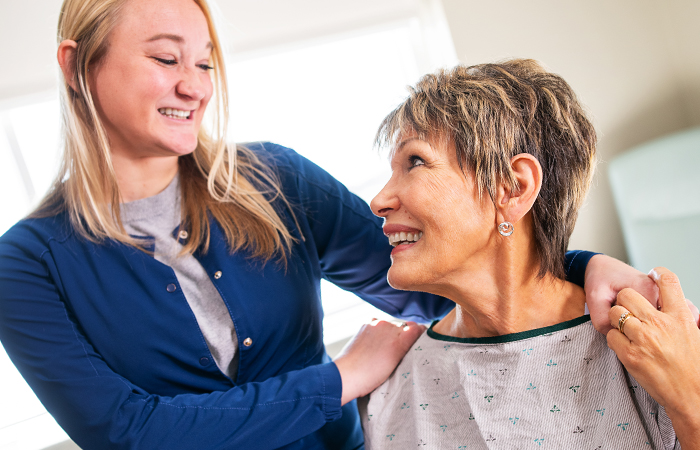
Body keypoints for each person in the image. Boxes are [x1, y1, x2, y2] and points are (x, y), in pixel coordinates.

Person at [0, 0, 658, 448]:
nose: (196, 86)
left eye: (203, 62)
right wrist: (341, 378)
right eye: (167, 60)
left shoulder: (274, 182)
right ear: (76, 68)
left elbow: (441, 272)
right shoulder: (26, 264)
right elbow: (127, 433)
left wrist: (582, 267)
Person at [360, 60, 700, 449]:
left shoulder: (658, 352)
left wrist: (692, 404)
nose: (379, 200)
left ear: (512, 188)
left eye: (415, 162)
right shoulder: (390, 392)